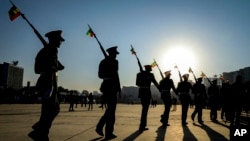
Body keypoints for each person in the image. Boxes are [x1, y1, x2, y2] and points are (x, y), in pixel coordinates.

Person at [28, 30, 65, 141]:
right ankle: (41, 134)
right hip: (47, 84)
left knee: (52, 110)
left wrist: (57, 65)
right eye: (59, 40)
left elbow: (57, 66)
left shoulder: (51, 51)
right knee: (50, 110)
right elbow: (37, 69)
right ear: (53, 40)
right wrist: (50, 67)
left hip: (52, 83)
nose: (61, 42)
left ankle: (39, 130)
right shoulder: (47, 51)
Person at [95, 46, 121, 140]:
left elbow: (116, 75)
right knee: (111, 110)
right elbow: (100, 75)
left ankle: (106, 130)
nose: (116, 56)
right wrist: (108, 71)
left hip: (114, 87)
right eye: (114, 54)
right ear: (111, 54)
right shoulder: (104, 62)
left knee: (111, 111)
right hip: (107, 87)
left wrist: (119, 89)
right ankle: (104, 129)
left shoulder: (115, 62)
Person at [136, 65, 160, 132]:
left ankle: (143, 125)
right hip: (145, 92)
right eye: (150, 68)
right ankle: (142, 126)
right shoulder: (140, 74)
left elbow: (155, 82)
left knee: (145, 109)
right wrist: (145, 80)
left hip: (144, 92)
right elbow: (137, 83)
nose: (151, 69)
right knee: (145, 109)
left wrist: (159, 88)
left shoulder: (149, 74)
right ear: (148, 69)